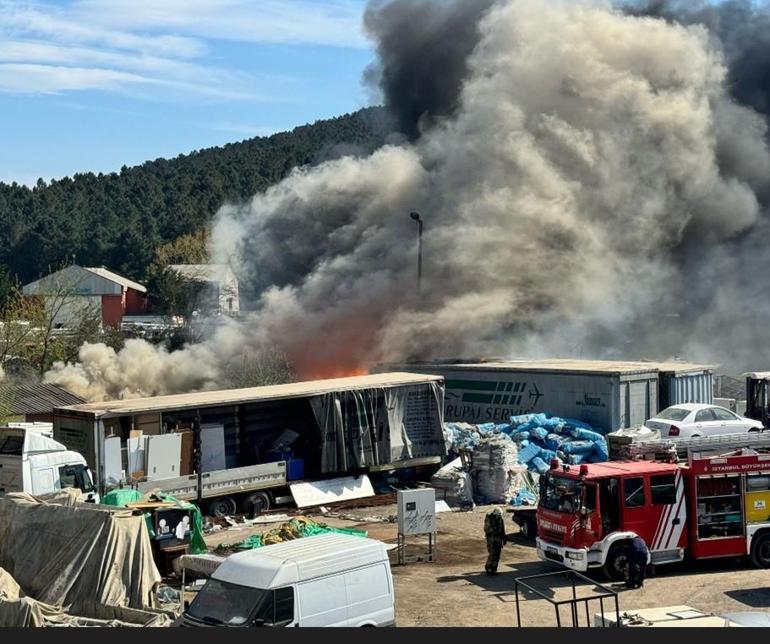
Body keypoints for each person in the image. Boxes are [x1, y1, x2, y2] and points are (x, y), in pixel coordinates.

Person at [484, 507, 506, 575]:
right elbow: (487, 529)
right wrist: (494, 532)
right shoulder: (489, 519)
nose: (498, 516)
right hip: (491, 539)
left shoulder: (500, 519)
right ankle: (488, 567)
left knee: (497, 555)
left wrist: (504, 538)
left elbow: (502, 529)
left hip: (498, 539)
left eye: (499, 515)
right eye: (498, 515)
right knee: (492, 554)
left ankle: (494, 569)